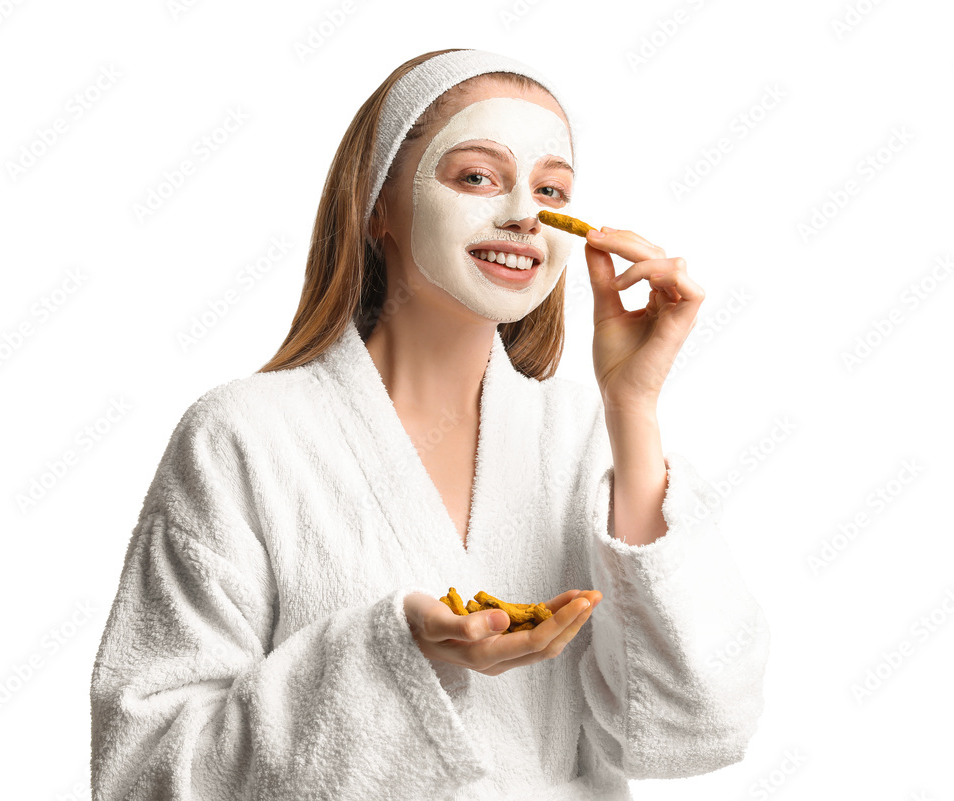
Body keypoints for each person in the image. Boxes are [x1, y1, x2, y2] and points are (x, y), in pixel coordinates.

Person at [89, 48, 770, 801]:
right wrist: (393, 650)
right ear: (378, 203)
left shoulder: (582, 434)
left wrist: (632, 409)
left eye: (551, 189)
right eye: (477, 176)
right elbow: (144, 772)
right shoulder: (243, 435)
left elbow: (691, 727)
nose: (523, 213)